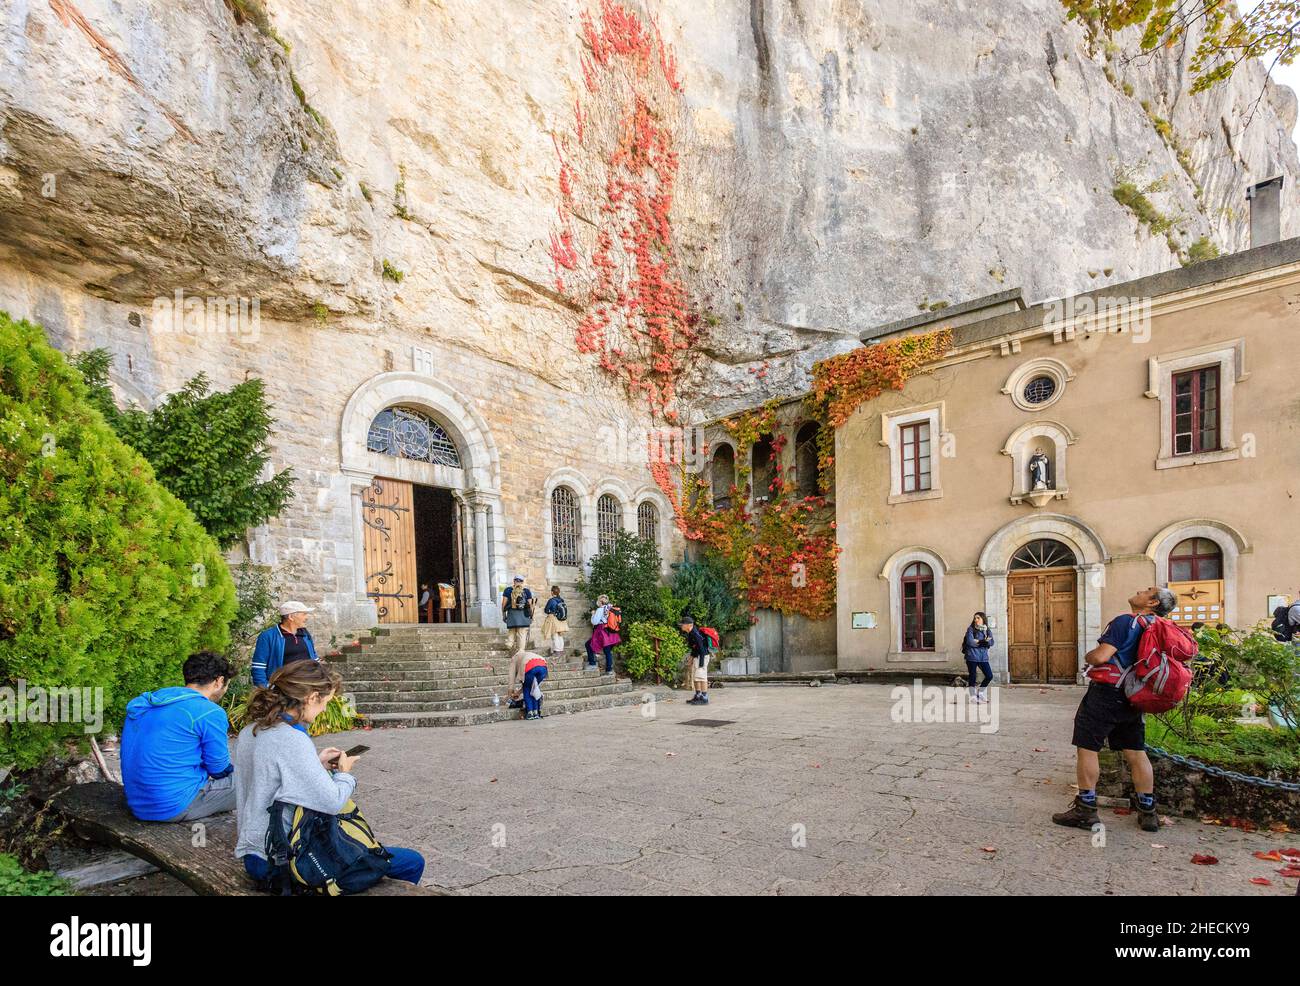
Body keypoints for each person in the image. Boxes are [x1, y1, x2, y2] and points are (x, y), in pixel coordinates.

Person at [233, 660, 425, 886]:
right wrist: (344, 773)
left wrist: (316, 763)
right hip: (284, 861)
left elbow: (270, 778)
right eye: (325, 701)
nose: (324, 709)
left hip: (253, 854)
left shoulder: (250, 731)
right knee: (412, 861)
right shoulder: (292, 739)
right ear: (312, 697)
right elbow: (332, 801)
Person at [1052, 586, 1178, 834]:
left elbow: (1101, 657)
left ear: (1151, 602)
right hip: (1135, 694)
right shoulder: (1158, 627)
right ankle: (1148, 812)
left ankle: (1085, 809)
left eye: (1147, 591)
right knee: (1136, 751)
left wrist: (1089, 655)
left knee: (1088, 748)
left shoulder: (1126, 622)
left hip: (1107, 693)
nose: (1139, 590)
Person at [121, 651, 237, 822]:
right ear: (219, 681)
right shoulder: (210, 712)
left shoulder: (151, 701)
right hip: (172, 806)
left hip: (139, 803)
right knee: (256, 782)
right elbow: (218, 768)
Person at [251, 601, 319, 688]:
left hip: (306, 688)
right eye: (304, 614)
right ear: (291, 617)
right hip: (283, 690)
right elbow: (258, 666)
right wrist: (267, 688)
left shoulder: (305, 634)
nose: (306, 617)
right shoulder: (268, 636)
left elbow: (314, 658)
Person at [502, 576, 535, 696]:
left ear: (514, 581)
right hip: (523, 616)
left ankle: (509, 644)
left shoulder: (508, 590)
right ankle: (520, 653)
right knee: (522, 635)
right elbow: (530, 604)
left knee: (511, 632)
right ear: (522, 582)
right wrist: (531, 616)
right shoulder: (526, 591)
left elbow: (504, 603)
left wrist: (503, 614)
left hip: (512, 614)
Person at [961, 612, 995, 704]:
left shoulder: (987, 630)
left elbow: (991, 642)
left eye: (978, 618)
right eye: (975, 618)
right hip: (971, 656)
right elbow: (970, 642)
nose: (976, 620)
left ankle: (980, 693)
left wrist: (980, 642)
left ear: (983, 619)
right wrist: (983, 642)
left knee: (989, 676)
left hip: (983, 657)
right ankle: (972, 696)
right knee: (973, 676)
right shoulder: (971, 629)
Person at [679, 614, 711, 705]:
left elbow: (701, 649)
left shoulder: (695, 634)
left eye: (683, 624)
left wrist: (701, 664)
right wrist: (691, 658)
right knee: (696, 677)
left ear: (689, 625)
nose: (681, 625)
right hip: (698, 656)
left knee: (701, 677)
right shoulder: (691, 633)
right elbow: (694, 648)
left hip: (702, 657)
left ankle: (704, 698)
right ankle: (698, 696)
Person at [585, 594, 621, 673]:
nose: (597, 602)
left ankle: (592, 664)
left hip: (602, 632)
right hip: (612, 632)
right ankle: (609, 670)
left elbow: (594, 622)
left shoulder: (600, 609)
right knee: (607, 651)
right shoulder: (610, 608)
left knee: (589, 645)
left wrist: (593, 614)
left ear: (600, 602)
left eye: (598, 600)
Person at [540, 586, 569, 659]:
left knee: (554, 635)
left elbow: (546, 610)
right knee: (560, 635)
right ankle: (561, 650)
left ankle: (557, 651)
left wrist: (550, 611)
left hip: (554, 619)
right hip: (561, 620)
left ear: (552, 592)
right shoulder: (561, 600)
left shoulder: (551, 600)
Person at [521, 651, 548, 721]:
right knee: (535, 688)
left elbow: (520, 677)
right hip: (543, 667)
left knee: (526, 688)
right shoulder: (533, 655)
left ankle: (530, 713)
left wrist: (511, 690)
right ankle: (536, 712)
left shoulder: (518, 658)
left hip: (530, 668)